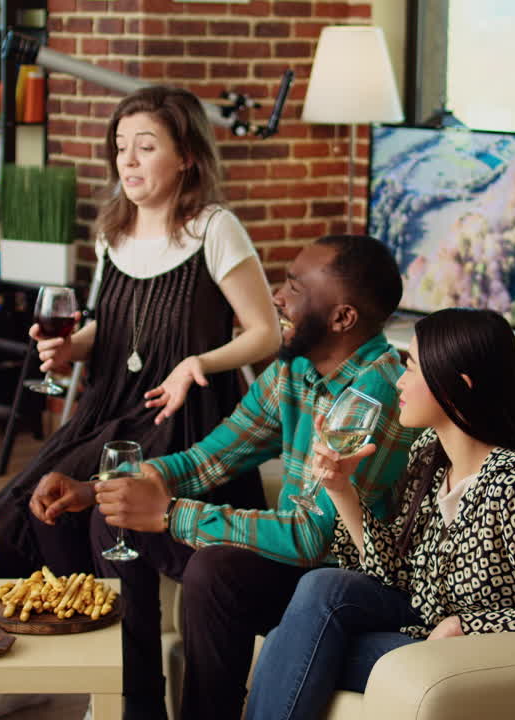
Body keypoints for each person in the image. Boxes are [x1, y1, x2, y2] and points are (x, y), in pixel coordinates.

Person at [0, 85, 279, 719]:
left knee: (107, 518)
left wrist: (200, 361)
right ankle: (47, 661)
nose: (129, 162)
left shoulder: (213, 228)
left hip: (183, 417)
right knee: (28, 509)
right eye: (121, 148)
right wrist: (68, 350)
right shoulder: (111, 230)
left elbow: (265, 332)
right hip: (112, 406)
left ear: (187, 156)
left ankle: (132, 698)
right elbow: (105, 331)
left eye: (146, 148)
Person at [38, 234, 419, 720]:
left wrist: (171, 514)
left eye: (295, 288)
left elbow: (315, 540)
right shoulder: (296, 368)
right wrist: (101, 489)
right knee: (115, 518)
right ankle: (138, 710)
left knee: (216, 572)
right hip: (299, 558)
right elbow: (209, 458)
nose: (278, 298)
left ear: (343, 318)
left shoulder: (375, 396)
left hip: (344, 582)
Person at [243, 308, 515, 720]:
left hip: (476, 655)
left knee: (285, 645)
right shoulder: (429, 455)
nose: (399, 381)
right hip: (423, 619)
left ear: (458, 386)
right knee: (318, 591)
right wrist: (341, 490)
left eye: (412, 367)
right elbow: (398, 574)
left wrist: (465, 627)